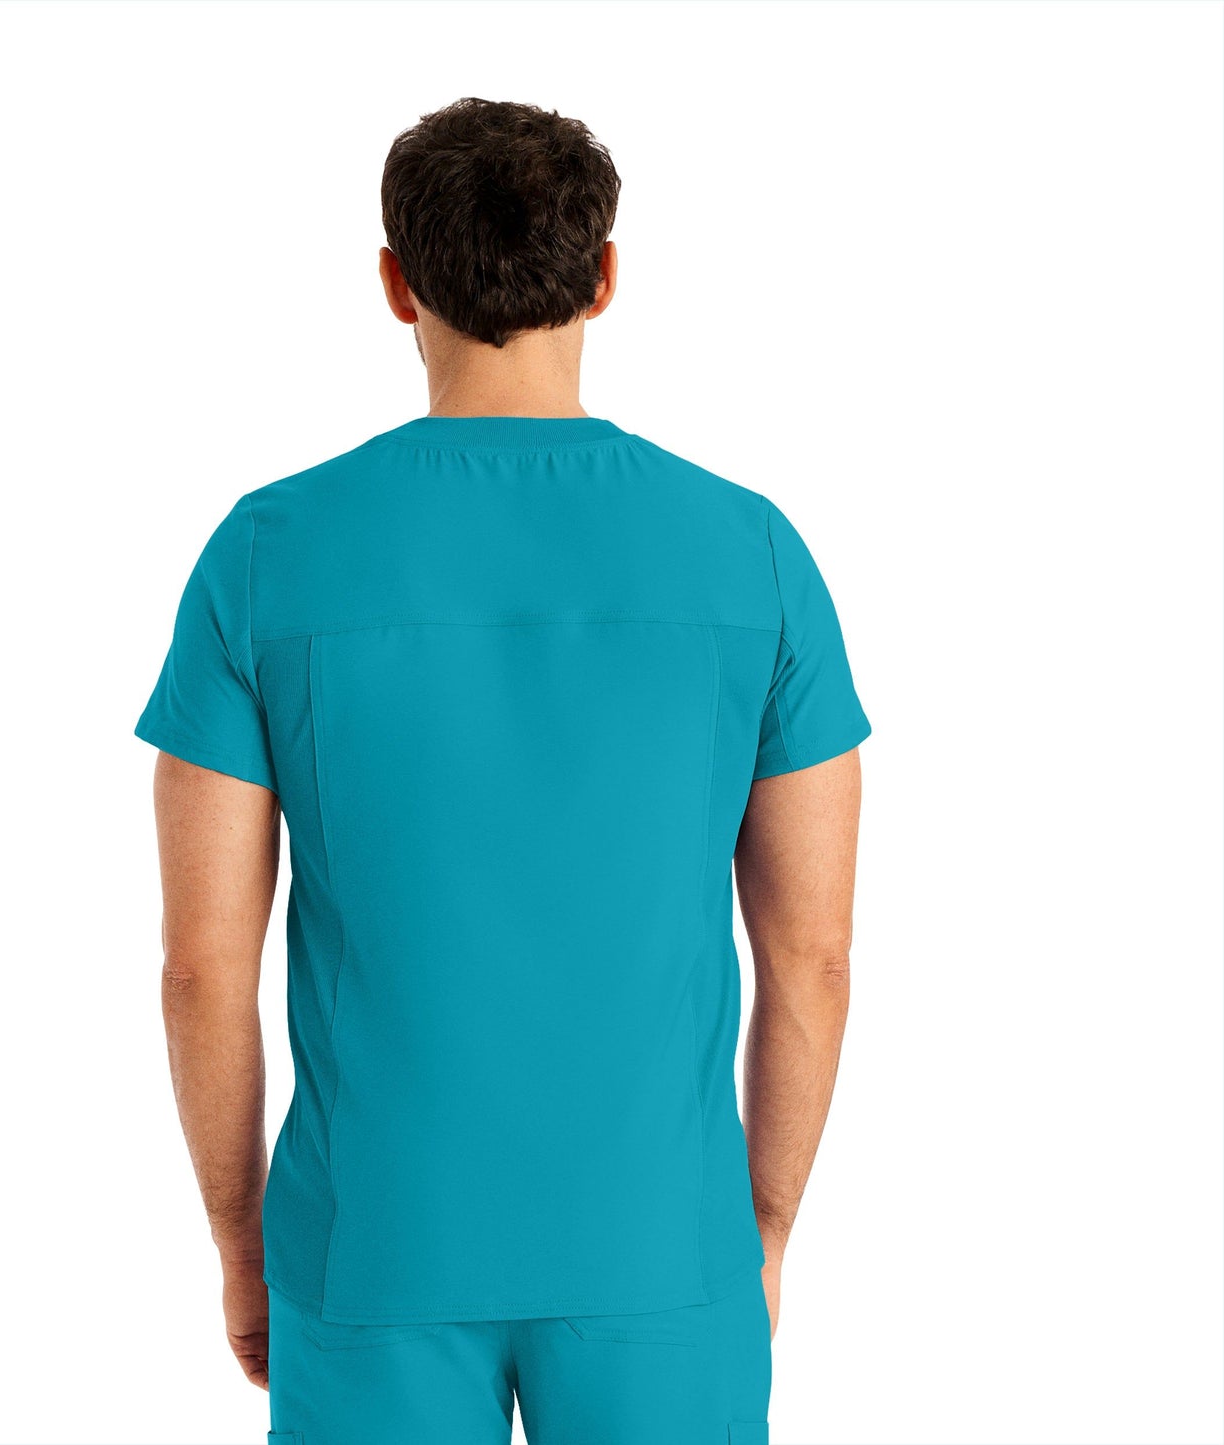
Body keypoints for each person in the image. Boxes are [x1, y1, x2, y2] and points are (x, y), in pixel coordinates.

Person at [135, 96, 871, 1445]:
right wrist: (759, 1230)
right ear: (604, 277)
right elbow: (812, 955)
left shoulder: (266, 552)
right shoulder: (753, 553)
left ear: (394, 282)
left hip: (374, 1246)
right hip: (663, 1245)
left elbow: (201, 967)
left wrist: (244, 1247)